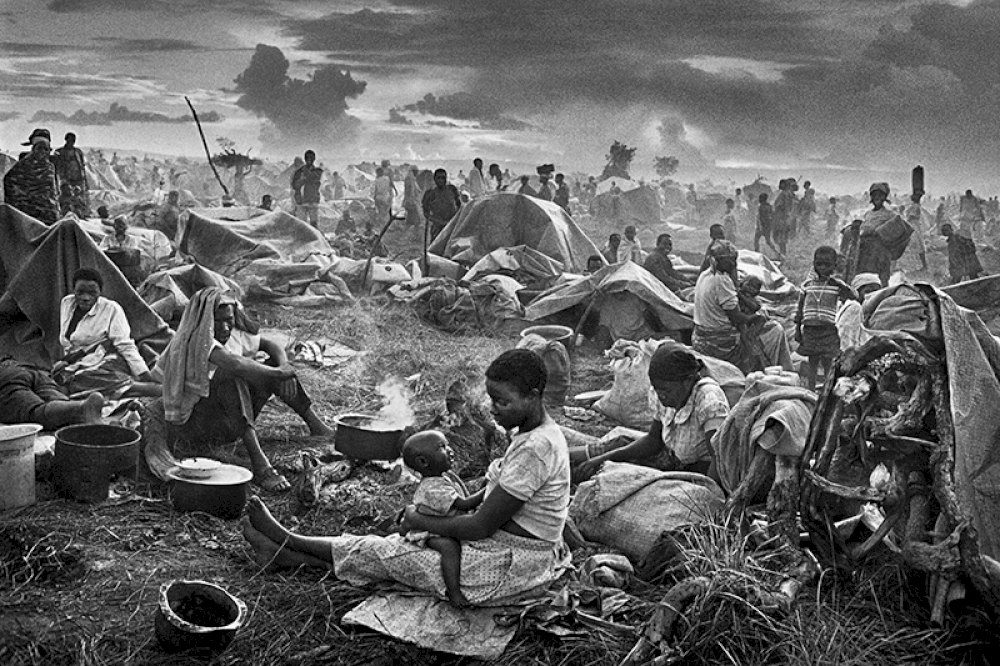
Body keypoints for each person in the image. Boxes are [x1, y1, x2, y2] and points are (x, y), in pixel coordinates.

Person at [240, 349, 572, 609]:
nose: (493, 408)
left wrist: (416, 518)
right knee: (394, 549)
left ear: (534, 394)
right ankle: (287, 554)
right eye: (492, 398)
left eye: (502, 401)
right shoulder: (530, 436)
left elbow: (478, 527)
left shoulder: (537, 448)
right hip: (505, 546)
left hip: (510, 564)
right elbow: (488, 502)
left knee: (393, 554)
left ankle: (289, 540)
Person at [149, 288, 335, 492]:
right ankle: (261, 466)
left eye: (229, 320)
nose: (225, 327)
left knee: (269, 366)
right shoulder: (194, 340)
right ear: (204, 321)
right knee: (232, 375)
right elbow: (235, 364)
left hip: (229, 420)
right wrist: (281, 373)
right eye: (217, 321)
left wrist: (282, 366)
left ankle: (315, 424)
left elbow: (271, 345)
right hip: (195, 427)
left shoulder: (231, 335)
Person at [571, 343, 729, 480]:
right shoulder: (663, 395)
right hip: (671, 459)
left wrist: (708, 497)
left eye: (667, 390)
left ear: (687, 381)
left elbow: (720, 461)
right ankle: (563, 457)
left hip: (698, 473)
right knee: (620, 445)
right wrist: (602, 459)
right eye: (658, 390)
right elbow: (654, 439)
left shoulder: (709, 401)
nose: (661, 396)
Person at [401, 430, 485, 607]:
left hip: (443, 523)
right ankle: (453, 592)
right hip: (430, 531)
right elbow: (464, 504)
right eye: (442, 447)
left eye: (447, 445)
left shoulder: (443, 478)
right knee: (450, 548)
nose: (450, 450)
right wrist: (489, 488)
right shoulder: (434, 488)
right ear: (423, 462)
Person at [692, 241, 792, 373]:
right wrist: (755, 318)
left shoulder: (705, 275)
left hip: (700, 338)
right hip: (720, 343)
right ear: (716, 261)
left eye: (734, 261)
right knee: (776, 330)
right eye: (729, 262)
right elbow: (737, 317)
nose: (733, 264)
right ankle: (778, 372)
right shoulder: (722, 280)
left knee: (757, 328)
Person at [54, 267, 156, 397]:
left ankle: (149, 389)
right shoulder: (66, 303)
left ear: (100, 292)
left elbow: (125, 345)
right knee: (61, 381)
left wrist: (143, 374)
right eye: (80, 292)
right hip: (75, 363)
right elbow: (68, 344)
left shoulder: (111, 309)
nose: (86, 297)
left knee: (83, 378)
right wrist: (66, 361)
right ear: (73, 290)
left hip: (107, 359)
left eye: (92, 293)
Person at [794, 247, 858, 391]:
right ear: (814, 264)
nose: (822, 268)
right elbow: (799, 310)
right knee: (812, 361)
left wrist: (841, 284)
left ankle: (828, 390)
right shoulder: (807, 286)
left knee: (828, 361)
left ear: (834, 266)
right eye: (819, 264)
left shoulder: (836, 286)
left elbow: (854, 297)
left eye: (827, 265)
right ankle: (810, 389)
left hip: (828, 329)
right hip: (810, 329)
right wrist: (798, 330)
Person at [0, 356, 105, 429]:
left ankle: (81, 409)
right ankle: (80, 410)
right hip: (34, 372)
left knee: (34, 412)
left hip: (6, 377)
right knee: (57, 401)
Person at [3, 128, 60, 224]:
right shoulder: (22, 166)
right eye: (39, 148)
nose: (42, 152)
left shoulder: (50, 166)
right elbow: (9, 185)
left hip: (45, 216)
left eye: (45, 149)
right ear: (34, 148)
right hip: (28, 216)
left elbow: (54, 192)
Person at [856, 182, 908, 286]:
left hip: (881, 251)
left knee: (881, 279)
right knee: (865, 278)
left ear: (885, 197)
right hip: (866, 251)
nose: (877, 197)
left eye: (880, 195)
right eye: (875, 195)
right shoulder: (868, 214)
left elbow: (900, 228)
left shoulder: (890, 214)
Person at [836, 273, 882, 352]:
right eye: (867, 291)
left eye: (876, 292)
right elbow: (847, 341)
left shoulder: (875, 313)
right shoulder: (854, 307)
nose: (872, 295)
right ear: (857, 293)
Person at [52, 132, 90, 218]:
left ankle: (80, 215)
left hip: (78, 179)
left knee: (79, 199)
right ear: (66, 140)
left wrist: (85, 181)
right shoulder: (59, 151)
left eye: (73, 140)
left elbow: (82, 167)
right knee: (65, 198)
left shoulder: (78, 152)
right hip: (65, 179)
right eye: (70, 140)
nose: (71, 142)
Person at [421, 168, 462, 238]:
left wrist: (455, 219)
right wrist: (437, 221)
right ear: (434, 179)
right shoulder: (430, 193)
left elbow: (459, 205)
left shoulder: (452, 189)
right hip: (438, 228)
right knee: (437, 247)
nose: (441, 180)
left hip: (452, 226)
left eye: (443, 178)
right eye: (438, 178)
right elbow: (426, 212)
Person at [291, 150, 323, 227]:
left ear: (314, 159)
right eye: (308, 158)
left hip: (313, 200)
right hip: (301, 201)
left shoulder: (317, 171)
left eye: (311, 158)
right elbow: (294, 185)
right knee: (302, 225)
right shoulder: (299, 172)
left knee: (313, 224)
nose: (309, 160)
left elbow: (314, 179)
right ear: (305, 159)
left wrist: (303, 179)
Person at [905, 189, 928, 270]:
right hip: (914, 225)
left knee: (918, 245)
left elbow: (913, 216)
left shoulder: (915, 206)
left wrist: (907, 220)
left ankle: (924, 265)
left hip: (914, 226)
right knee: (917, 245)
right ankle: (923, 265)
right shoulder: (915, 205)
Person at [772, 179, 794, 257]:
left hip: (781, 218)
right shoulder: (787, 194)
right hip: (783, 218)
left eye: (782, 184)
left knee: (781, 239)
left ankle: (782, 255)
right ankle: (782, 255)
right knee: (781, 239)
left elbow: (781, 206)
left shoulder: (784, 194)